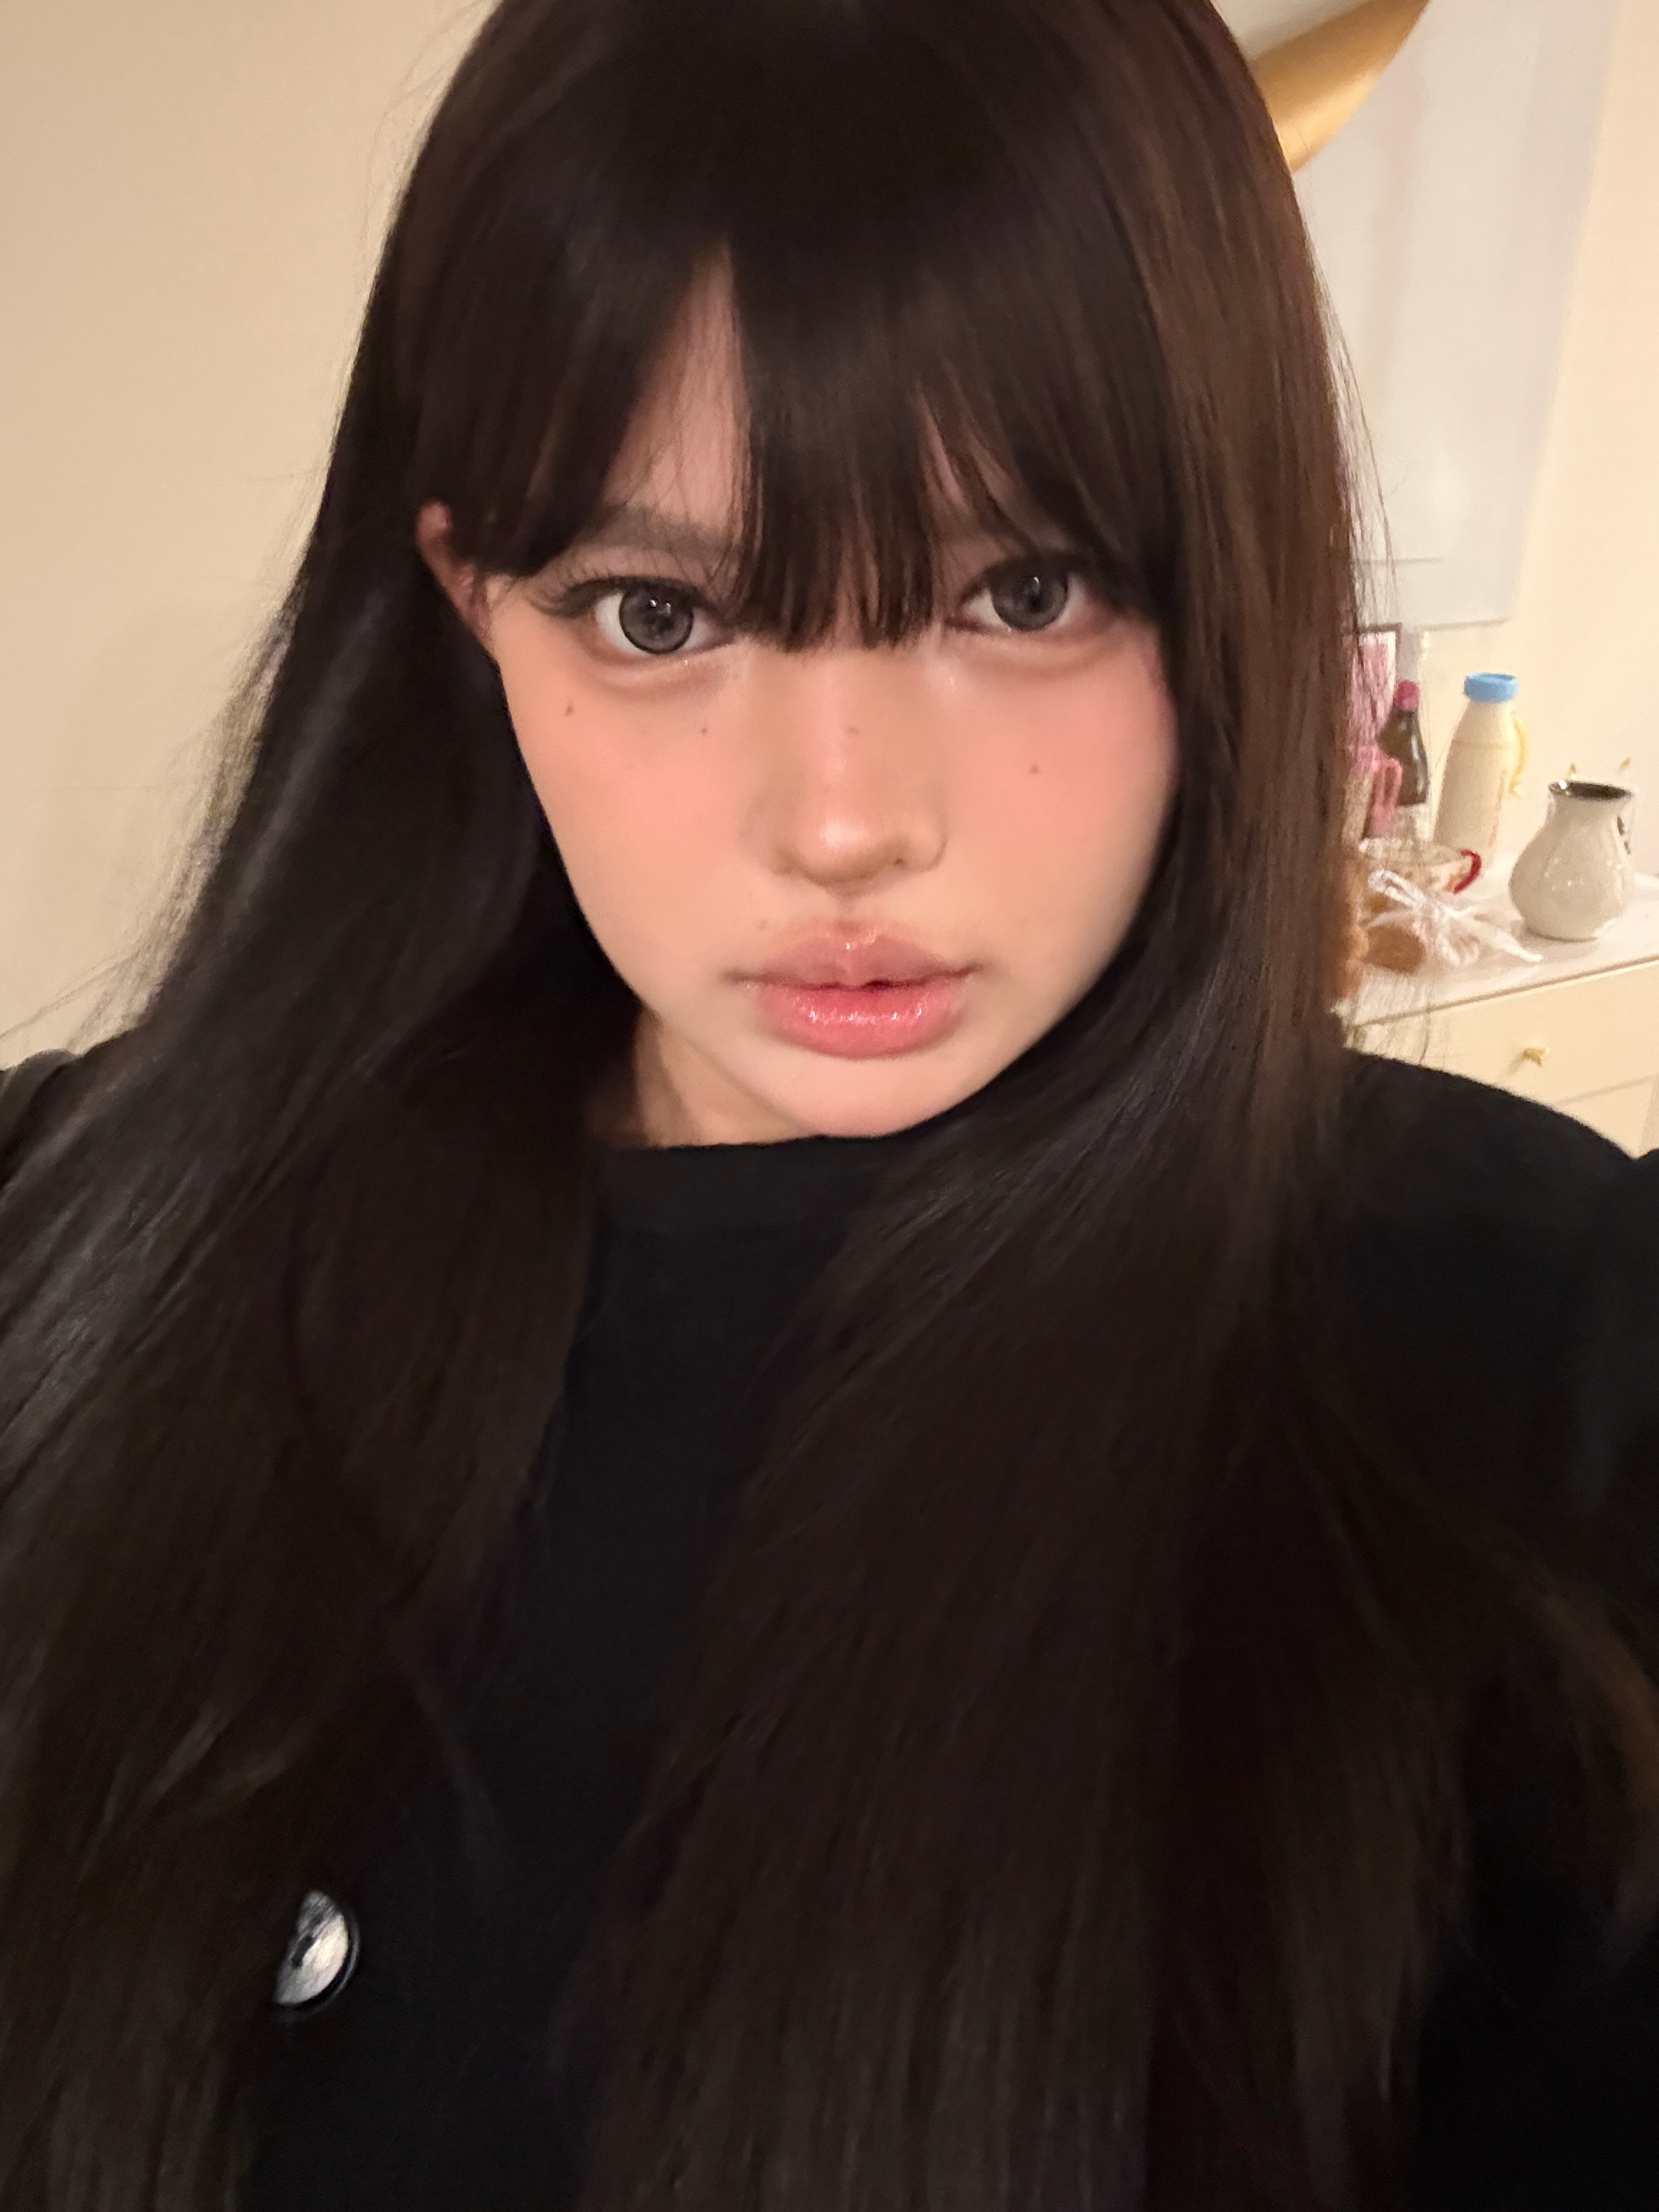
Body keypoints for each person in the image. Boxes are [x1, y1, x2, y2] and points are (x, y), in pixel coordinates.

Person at [0, 0, 1655, 2206]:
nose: (846, 822)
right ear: (473, 605)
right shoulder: (85, 1228)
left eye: (1021, 591)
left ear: (1231, 580)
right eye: (657, 614)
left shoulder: (1521, 1359)